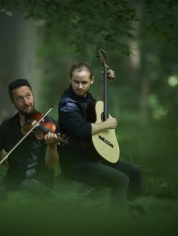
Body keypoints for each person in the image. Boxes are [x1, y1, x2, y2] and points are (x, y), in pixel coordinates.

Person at [58, 61, 142, 211]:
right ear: (69, 79)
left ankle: (137, 215)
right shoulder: (67, 104)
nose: (79, 86)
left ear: (92, 80)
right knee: (122, 180)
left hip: (92, 156)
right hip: (76, 164)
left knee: (135, 172)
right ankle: (117, 224)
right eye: (76, 82)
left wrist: (105, 84)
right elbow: (82, 129)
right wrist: (107, 124)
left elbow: (96, 109)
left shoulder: (84, 96)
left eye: (84, 82)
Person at [0, 79, 59, 196]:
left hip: (38, 183)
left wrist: (52, 146)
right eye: (20, 98)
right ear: (13, 102)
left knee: (26, 186)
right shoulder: (7, 127)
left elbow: (51, 164)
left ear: (33, 95)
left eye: (28, 96)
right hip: (12, 180)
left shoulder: (49, 125)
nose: (26, 102)